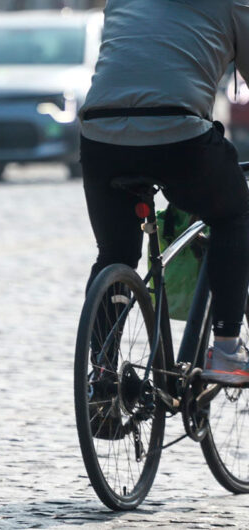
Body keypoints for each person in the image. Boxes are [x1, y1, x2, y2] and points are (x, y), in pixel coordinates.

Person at [79, 0, 249, 384]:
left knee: (115, 253)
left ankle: (102, 374)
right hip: (179, 135)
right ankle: (225, 349)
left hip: (100, 135)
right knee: (233, 214)